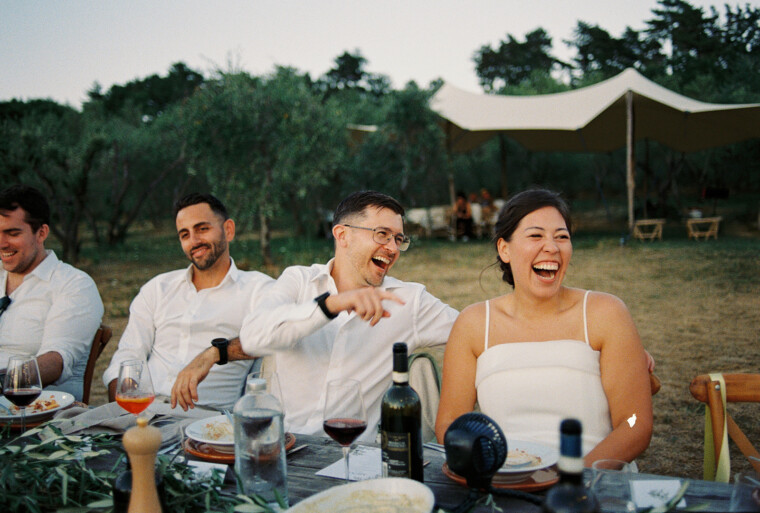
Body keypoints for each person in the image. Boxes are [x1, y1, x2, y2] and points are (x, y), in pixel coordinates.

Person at [435, 189, 653, 465]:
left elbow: (635, 423)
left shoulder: (605, 313)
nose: (552, 247)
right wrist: (489, 466)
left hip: (592, 483)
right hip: (506, 480)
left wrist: (573, 476)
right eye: (536, 235)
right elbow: (449, 424)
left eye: (562, 237)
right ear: (505, 249)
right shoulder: (474, 324)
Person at [230, 190, 458, 441]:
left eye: (398, 239)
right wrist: (331, 305)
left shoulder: (409, 301)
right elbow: (252, 338)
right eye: (382, 234)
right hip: (287, 450)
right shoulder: (299, 281)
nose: (393, 248)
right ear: (342, 235)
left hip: (354, 453)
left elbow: (475, 330)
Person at [103, 193, 273, 411]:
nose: (194, 241)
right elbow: (128, 357)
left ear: (228, 230)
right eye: (185, 234)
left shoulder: (258, 289)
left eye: (202, 229)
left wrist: (213, 354)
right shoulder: (158, 288)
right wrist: (124, 411)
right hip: (143, 411)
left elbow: (276, 335)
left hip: (204, 420)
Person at [0, 184, 104, 401]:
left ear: (42, 233)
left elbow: (55, 362)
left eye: (12, 233)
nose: (2, 243)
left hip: (36, 411)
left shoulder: (73, 284)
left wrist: (4, 382)